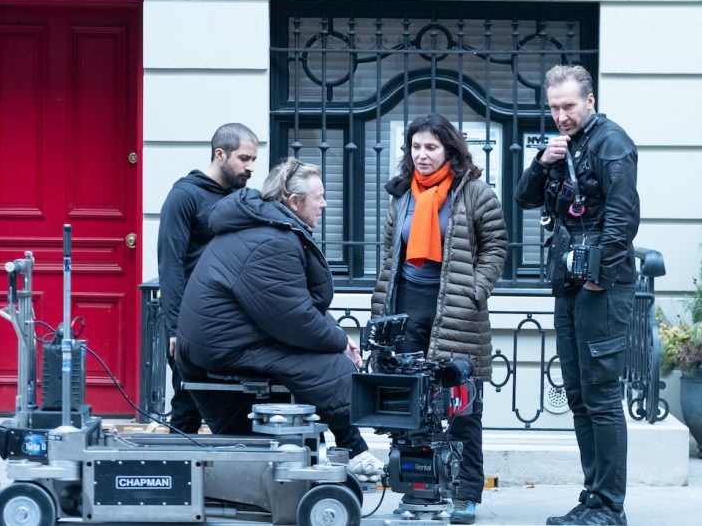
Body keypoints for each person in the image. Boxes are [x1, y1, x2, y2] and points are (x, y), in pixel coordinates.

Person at [175, 158, 382, 480]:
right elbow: (294, 318)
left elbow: (294, 306)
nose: (325, 204)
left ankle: (349, 450)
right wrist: (340, 343)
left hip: (234, 338)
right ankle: (354, 451)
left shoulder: (267, 228)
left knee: (326, 359)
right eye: (320, 197)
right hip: (226, 347)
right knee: (332, 367)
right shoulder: (272, 240)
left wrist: (339, 336)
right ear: (294, 201)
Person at [514, 65, 639, 526]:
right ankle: (593, 498)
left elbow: (623, 218)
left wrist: (599, 278)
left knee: (602, 397)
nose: (561, 115)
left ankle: (610, 507)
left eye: (568, 106)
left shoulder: (612, 143)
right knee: (581, 396)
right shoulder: (565, 146)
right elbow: (525, 198)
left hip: (600, 287)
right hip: (568, 281)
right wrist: (541, 162)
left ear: (589, 100)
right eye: (553, 107)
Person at [371, 114, 508, 524]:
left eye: (431, 147)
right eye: (416, 147)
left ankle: (465, 494)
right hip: (406, 307)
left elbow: (497, 246)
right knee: (409, 404)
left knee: (462, 405)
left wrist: (475, 289)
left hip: (457, 310)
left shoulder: (475, 194)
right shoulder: (402, 195)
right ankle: (416, 492)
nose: (422, 155)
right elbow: (388, 252)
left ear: (449, 150)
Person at [157, 123, 260, 434]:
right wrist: (175, 328)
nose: (251, 167)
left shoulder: (244, 197)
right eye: (244, 159)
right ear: (220, 154)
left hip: (231, 320)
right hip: (190, 319)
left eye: (253, 159)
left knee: (237, 399)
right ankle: (179, 475)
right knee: (188, 399)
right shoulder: (184, 196)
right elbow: (170, 264)